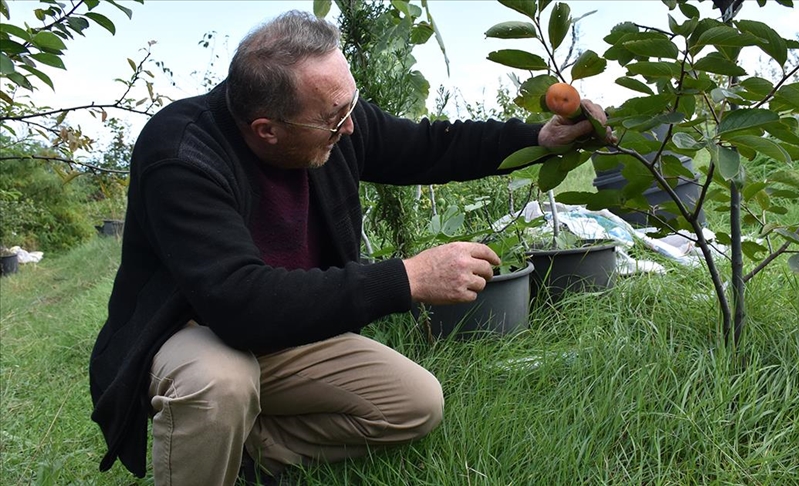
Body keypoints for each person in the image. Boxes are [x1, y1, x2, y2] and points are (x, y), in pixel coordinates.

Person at [88, 10, 614, 486]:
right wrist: (406, 278)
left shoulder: (332, 120)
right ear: (266, 130)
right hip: (197, 328)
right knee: (222, 382)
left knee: (415, 404)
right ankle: (203, 457)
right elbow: (238, 302)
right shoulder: (182, 154)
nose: (352, 125)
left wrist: (538, 139)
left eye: (350, 103)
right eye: (335, 116)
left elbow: (431, 147)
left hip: (288, 324)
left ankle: (246, 453)